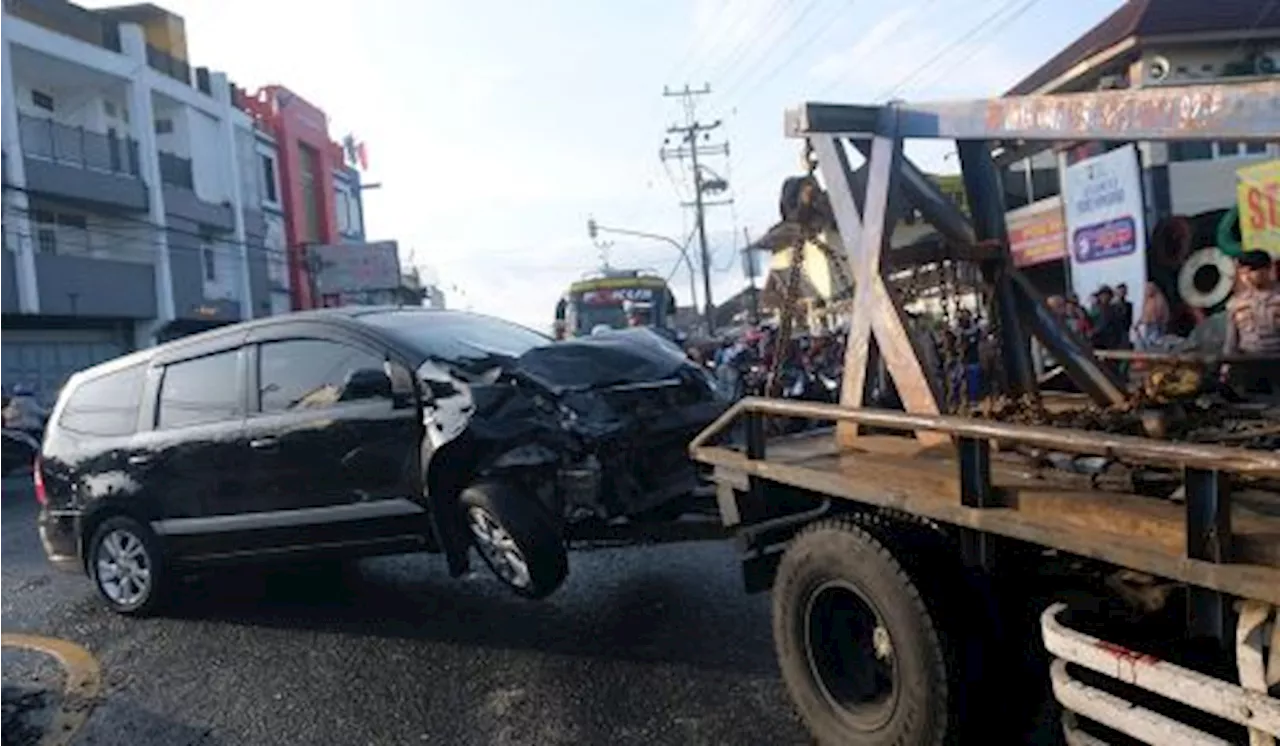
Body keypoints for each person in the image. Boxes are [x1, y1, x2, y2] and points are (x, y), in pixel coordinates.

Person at [1222, 249, 1280, 392]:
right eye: (1245, 271)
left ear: (1267, 270)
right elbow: (1231, 340)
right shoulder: (1237, 303)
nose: (1248, 276)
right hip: (1249, 363)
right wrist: (1225, 368)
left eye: (1253, 270)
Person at [1134, 281, 1170, 350]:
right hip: (1148, 325)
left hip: (1156, 325)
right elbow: (1144, 314)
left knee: (1155, 342)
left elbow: (1162, 314)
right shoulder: (1147, 300)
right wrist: (1138, 323)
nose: (1148, 290)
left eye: (1150, 288)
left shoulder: (1159, 300)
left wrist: (1160, 323)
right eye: (1147, 289)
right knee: (1147, 343)